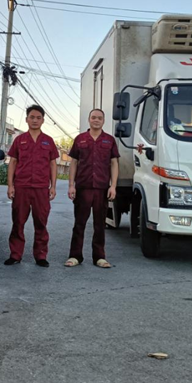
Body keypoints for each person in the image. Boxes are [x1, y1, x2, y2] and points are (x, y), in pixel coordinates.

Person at [4, 105, 59, 267]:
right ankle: (15, 255)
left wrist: (53, 186)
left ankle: (41, 256)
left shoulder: (48, 141)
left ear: (43, 120)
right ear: (27, 119)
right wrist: (10, 185)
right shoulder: (19, 140)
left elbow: (53, 164)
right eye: (32, 117)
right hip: (21, 187)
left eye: (38, 118)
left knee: (41, 222)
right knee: (18, 222)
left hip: (41, 188)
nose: (35, 120)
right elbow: (13, 162)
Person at [65, 109, 120, 269]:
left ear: (104, 121)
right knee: (79, 223)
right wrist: (71, 185)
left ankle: (99, 257)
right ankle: (75, 256)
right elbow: (74, 162)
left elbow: (114, 163)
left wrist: (113, 185)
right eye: (93, 117)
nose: (96, 120)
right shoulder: (80, 139)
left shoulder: (109, 140)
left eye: (100, 118)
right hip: (83, 187)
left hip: (102, 188)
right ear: (89, 120)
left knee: (99, 224)